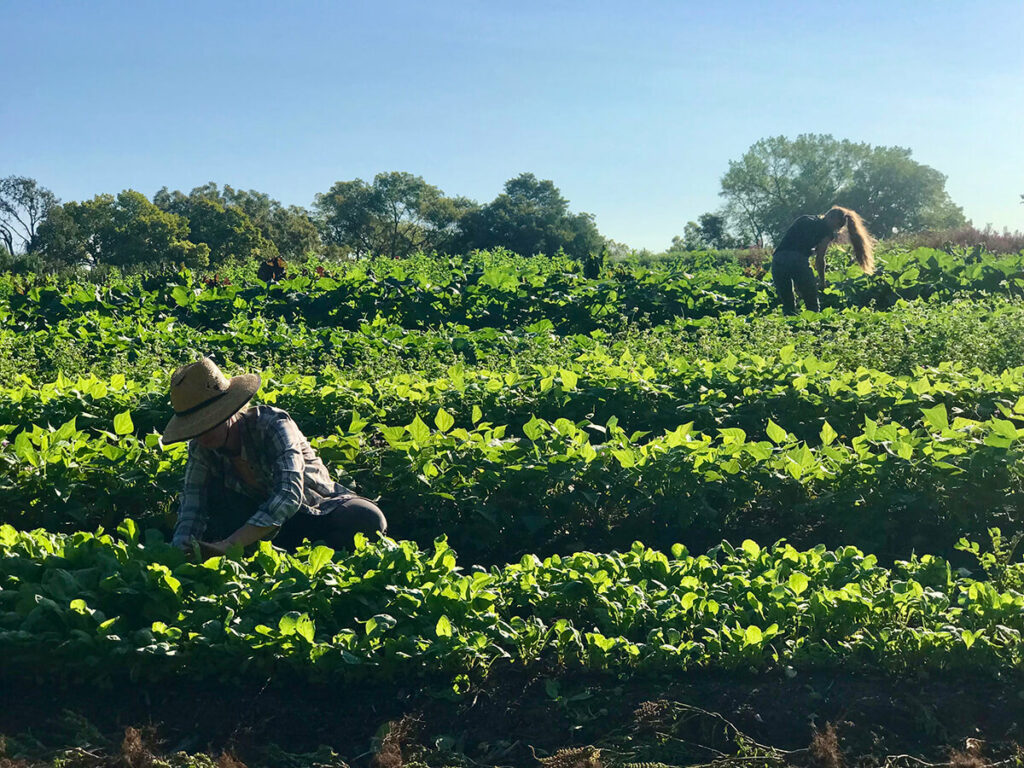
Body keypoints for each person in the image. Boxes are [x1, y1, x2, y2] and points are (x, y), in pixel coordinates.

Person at [162, 357, 386, 558]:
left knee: (367, 518)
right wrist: (179, 553)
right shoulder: (200, 448)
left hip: (313, 510)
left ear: (228, 412)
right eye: (194, 428)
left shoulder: (273, 425)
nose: (202, 434)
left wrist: (230, 544)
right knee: (217, 511)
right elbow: (193, 506)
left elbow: (289, 494)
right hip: (256, 525)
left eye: (208, 423)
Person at [771, 206, 875, 315]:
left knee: (788, 304)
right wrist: (822, 281)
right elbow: (820, 258)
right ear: (830, 217)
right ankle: (814, 326)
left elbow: (794, 242)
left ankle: (790, 327)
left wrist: (809, 251)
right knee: (812, 303)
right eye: (838, 225)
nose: (837, 229)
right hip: (798, 261)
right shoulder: (826, 232)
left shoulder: (804, 219)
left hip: (778, 260)